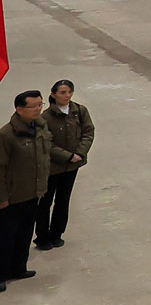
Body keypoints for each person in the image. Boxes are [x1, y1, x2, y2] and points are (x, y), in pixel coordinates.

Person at [35, 79, 91, 251]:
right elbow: (46, 143)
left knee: (63, 200)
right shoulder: (44, 117)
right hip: (52, 168)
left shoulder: (79, 111)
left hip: (72, 165)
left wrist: (80, 153)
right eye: (62, 93)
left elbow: (88, 132)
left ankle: (57, 233)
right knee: (45, 202)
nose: (66, 96)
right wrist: (67, 156)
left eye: (69, 92)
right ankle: (42, 237)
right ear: (53, 94)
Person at [0, 91, 49, 287]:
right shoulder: (6, 135)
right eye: (33, 106)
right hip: (12, 196)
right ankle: (1, 274)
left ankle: (18, 268)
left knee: (25, 233)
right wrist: (2, 196)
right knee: (6, 237)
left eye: (40, 104)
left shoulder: (40, 128)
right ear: (19, 109)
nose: (38, 108)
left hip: (32, 193)